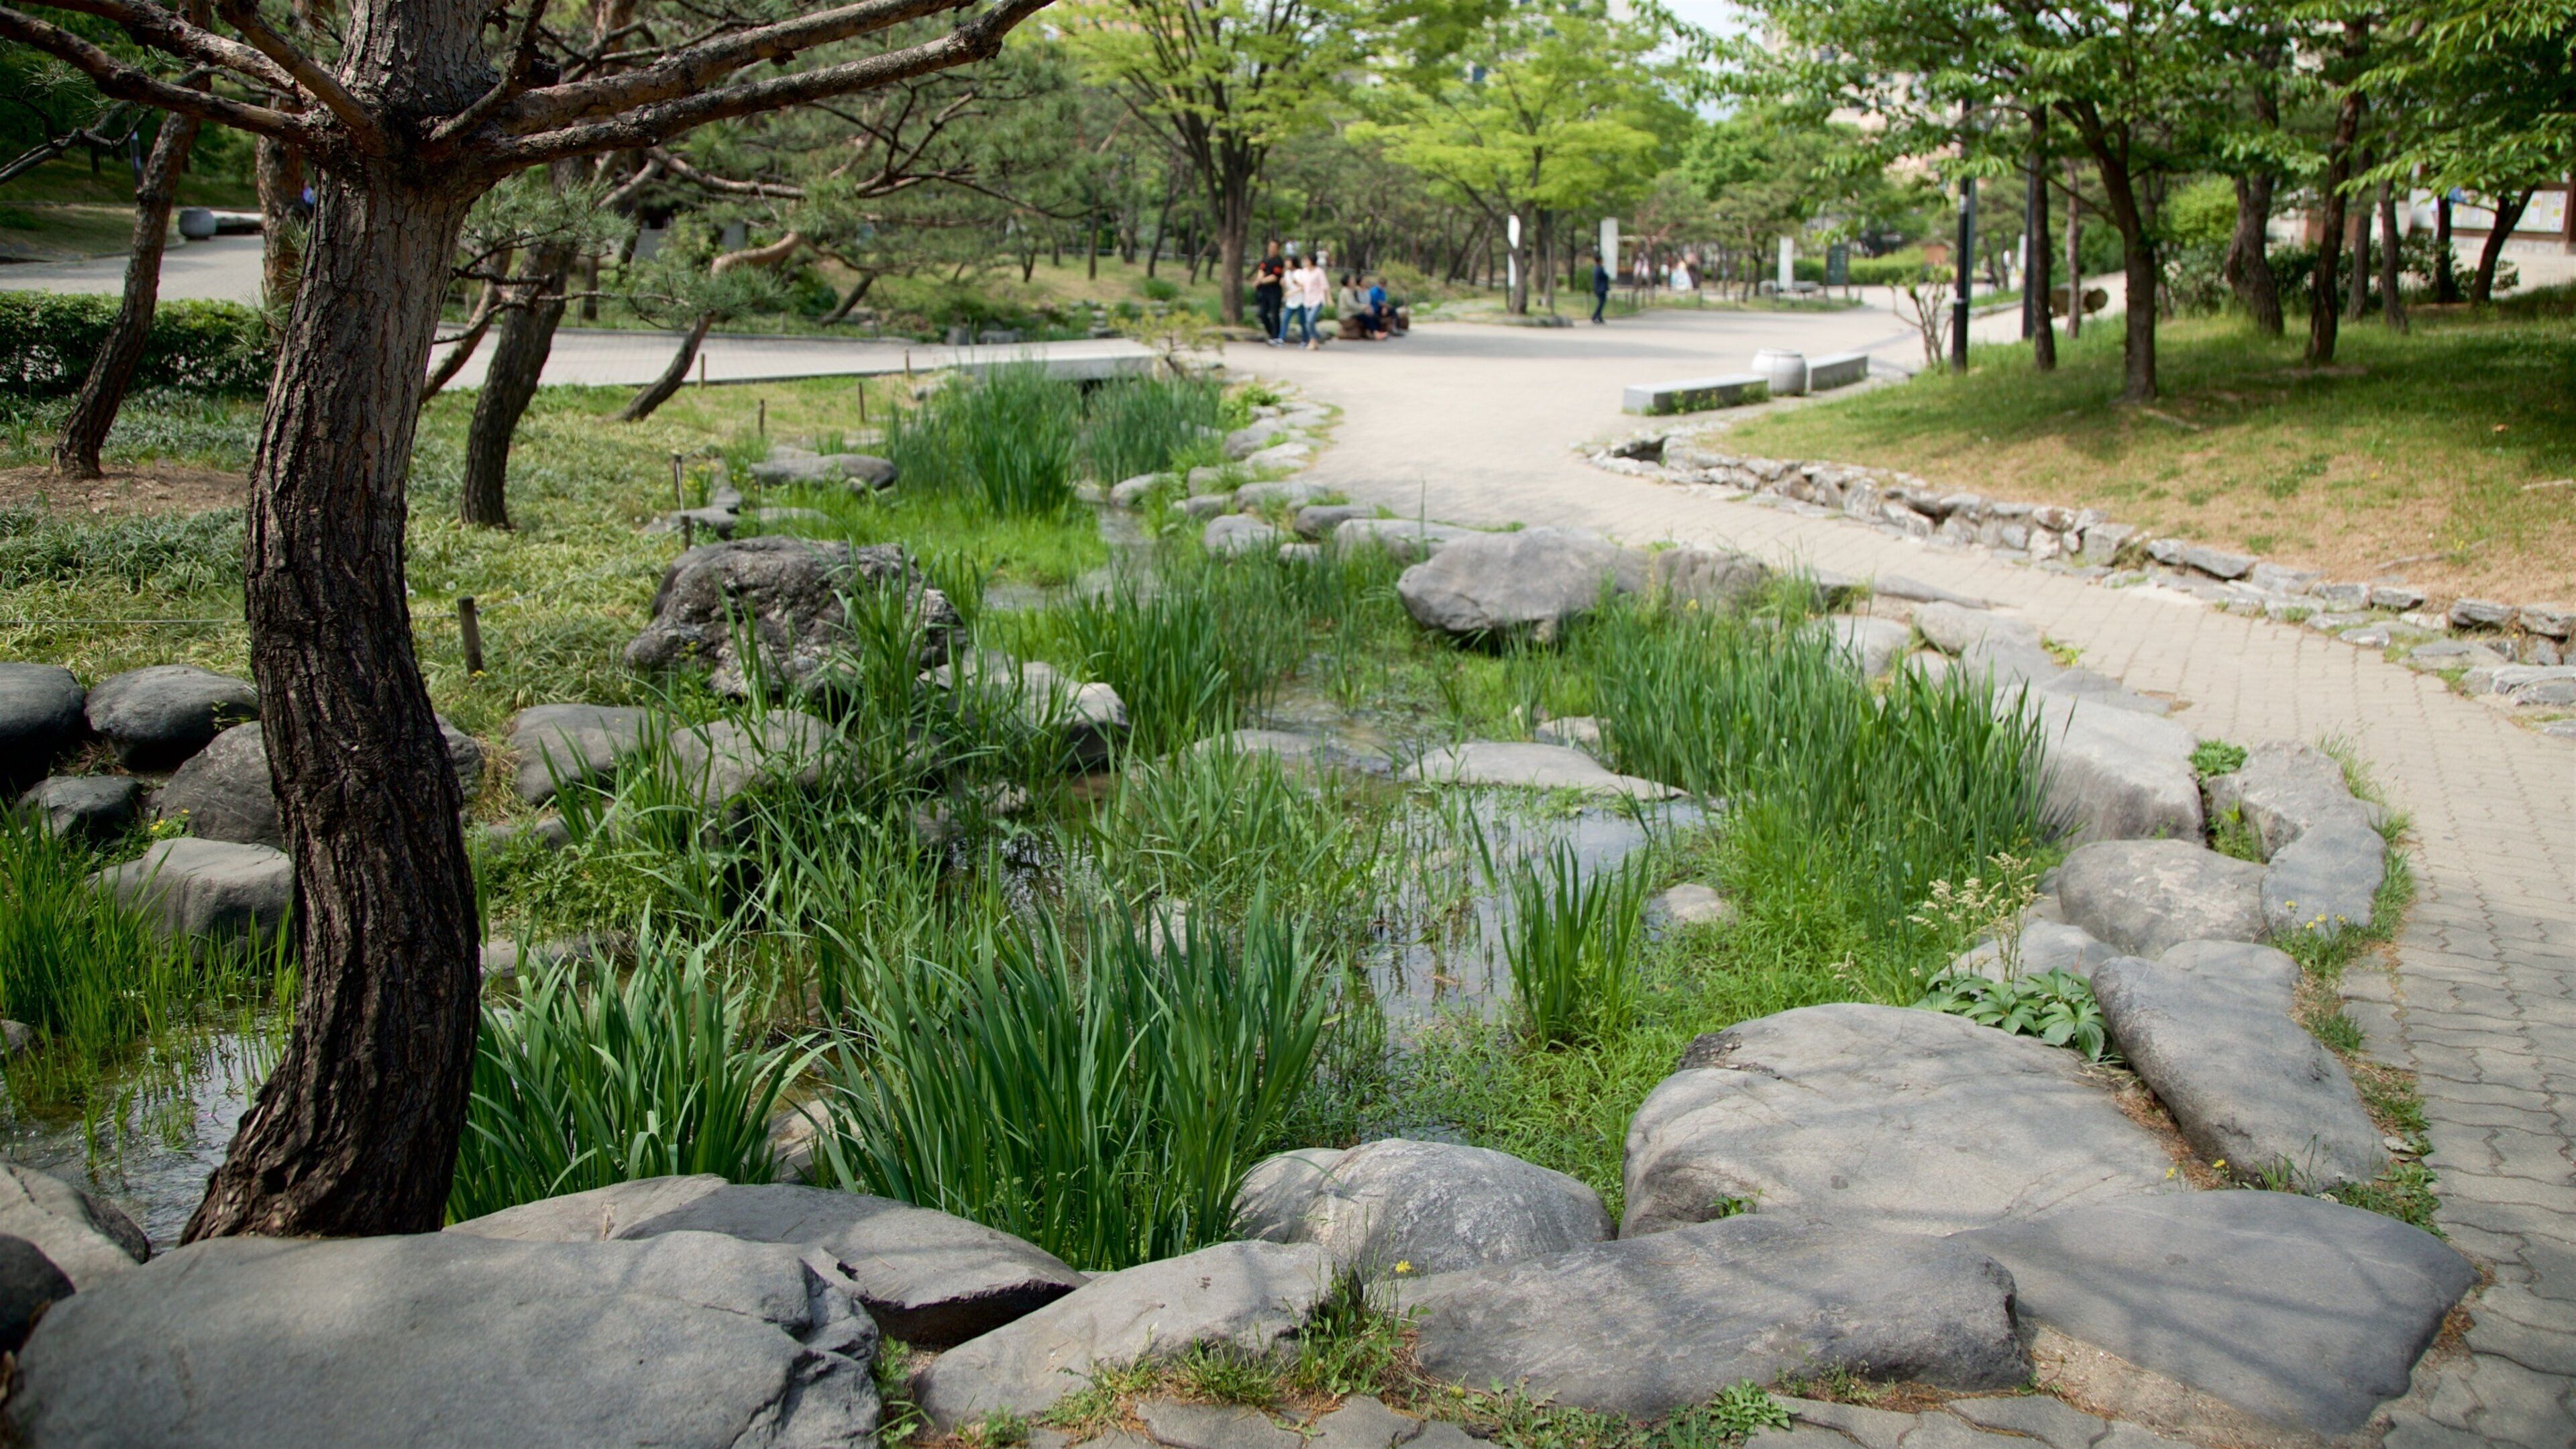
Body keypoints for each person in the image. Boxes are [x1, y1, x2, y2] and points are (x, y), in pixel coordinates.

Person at [1283, 256, 1324, 348]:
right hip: (1303, 300)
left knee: (1307, 321)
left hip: (1308, 300)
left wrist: (1328, 298)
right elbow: (1302, 285)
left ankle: (1310, 339)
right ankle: (1311, 340)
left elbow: (1323, 286)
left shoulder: (1309, 272)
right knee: (1290, 320)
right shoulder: (1302, 272)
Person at [1254, 241, 1287, 345]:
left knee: (1275, 313)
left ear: (1278, 249)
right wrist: (1259, 279)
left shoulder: (1279, 261)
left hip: (1274, 291)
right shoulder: (1266, 258)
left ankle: (1276, 336)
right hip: (1264, 291)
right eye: (1270, 246)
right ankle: (1270, 332)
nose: (1271, 249)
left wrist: (1261, 281)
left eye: (1274, 247)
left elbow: (1275, 277)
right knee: (1262, 313)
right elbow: (1261, 269)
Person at [1336, 273, 1385, 339]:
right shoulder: (1346, 292)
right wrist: (1364, 307)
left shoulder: (1349, 291)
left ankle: (1375, 332)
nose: (1354, 281)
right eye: (1352, 280)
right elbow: (1352, 305)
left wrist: (1365, 308)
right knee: (1366, 317)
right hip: (1347, 315)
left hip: (1351, 313)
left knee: (1372, 316)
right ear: (1348, 282)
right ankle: (1375, 333)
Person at [1591, 254, 1612, 325]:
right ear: (1600, 261)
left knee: (1601, 303)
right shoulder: (1599, 269)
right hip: (1601, 289)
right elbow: (1605, 277)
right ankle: (1595, 316)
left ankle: (1599, 317)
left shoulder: (1596, 269)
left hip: (1598, 288)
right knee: (1601, 303)